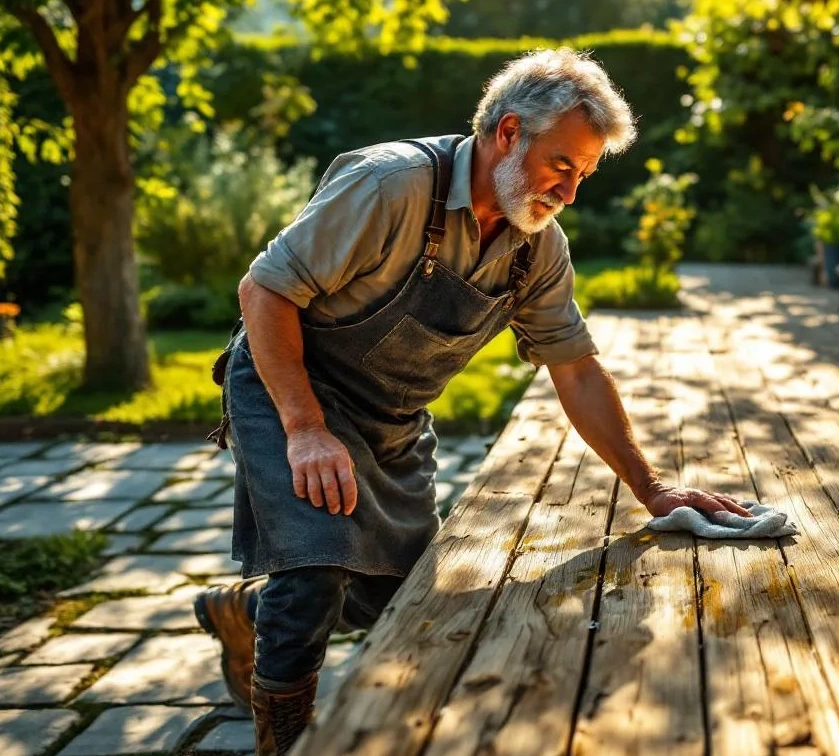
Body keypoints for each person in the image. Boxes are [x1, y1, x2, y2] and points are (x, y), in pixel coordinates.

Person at [192, 48, 752, 755]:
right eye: (562, 166)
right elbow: (263, 291)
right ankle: (284, 742)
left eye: (582, 175)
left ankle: (247, 615)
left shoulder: (536, 248)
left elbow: (575, 370)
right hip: (293, 388)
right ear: (510, 132)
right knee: (316, 567)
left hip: (390, 416)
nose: (570, 193)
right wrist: (304, 429)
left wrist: (652, 487)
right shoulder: (390, 185)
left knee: (389, 600)